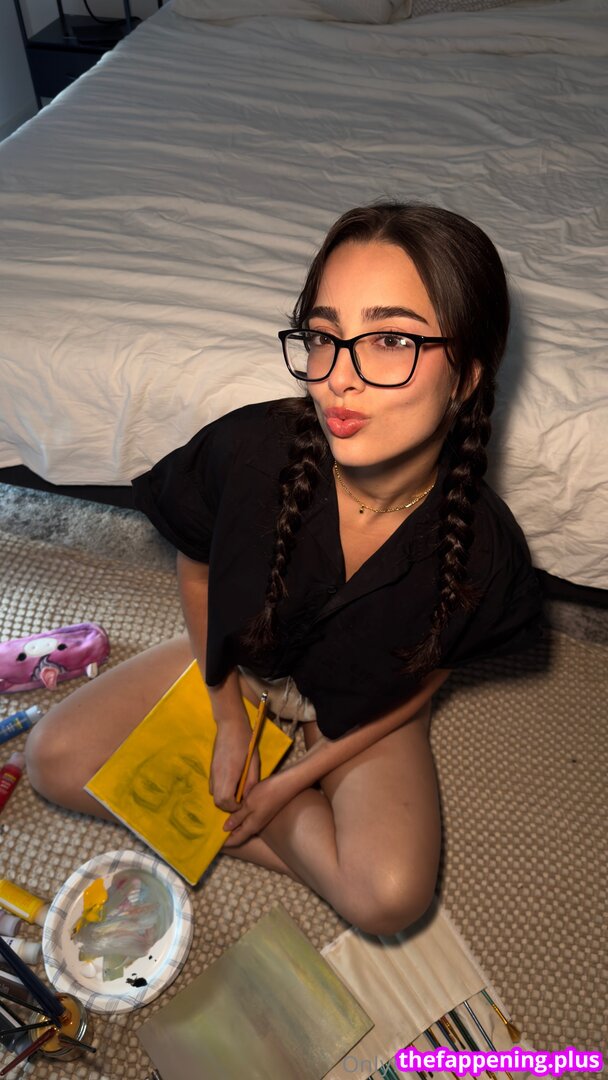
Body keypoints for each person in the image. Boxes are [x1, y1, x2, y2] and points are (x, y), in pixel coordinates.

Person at [25, 202, 542, 936]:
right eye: (325, 336)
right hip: (245, 665)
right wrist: (227, 717)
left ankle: (271, 803)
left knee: (389, 901)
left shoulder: (487, 552)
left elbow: (428, 678)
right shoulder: (246, 453)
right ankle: (294, 818)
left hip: (365, 705)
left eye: (391, 339)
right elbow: (198, 573)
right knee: (53, 759)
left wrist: (289, 785)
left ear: (468, 376)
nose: (338, 380)